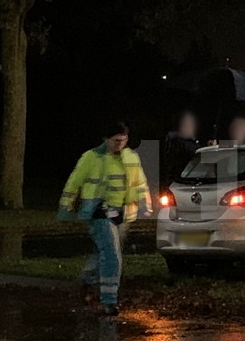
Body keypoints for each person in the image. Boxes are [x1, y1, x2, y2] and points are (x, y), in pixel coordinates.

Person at [58, 120, 151, 316]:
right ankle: (109, 301)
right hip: (98, 211)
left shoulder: (131, 157)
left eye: (124, 140)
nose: (120, 144)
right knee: (111, 254)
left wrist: (146, 205)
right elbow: (74, 182)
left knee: (104, 251)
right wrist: (66, 206)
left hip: (123, 213)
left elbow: (140, 182)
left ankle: (87, 281)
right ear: (106, 139)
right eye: (116, 140)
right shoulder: (91, 158)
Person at [160, 110, 199, 191]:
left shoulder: (171, 141)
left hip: (176, 183)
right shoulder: (179, 143)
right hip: (182, 184)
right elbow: (198, 153)